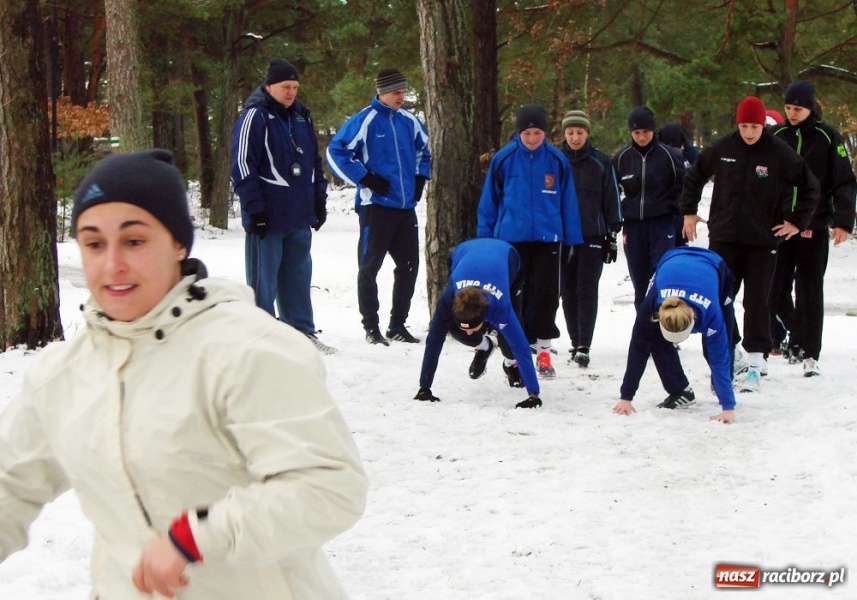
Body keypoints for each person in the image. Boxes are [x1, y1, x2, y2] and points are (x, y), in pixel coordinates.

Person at [0, 150, 368, 599]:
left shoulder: (247, 351)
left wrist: (197, 536)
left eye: (134, 241)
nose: (112, 264)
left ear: (179, 244)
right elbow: (10, 484)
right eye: (94, 244)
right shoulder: (61, 375)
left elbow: (329, 486)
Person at [681, 96, 820, 393]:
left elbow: (810, 186)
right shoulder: (723, 147)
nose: (748, 132)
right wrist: (689, 212)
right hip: (724, 238)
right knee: (720, 300)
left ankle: (756, 365)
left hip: (762, 241)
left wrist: (797, 222)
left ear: (763, 126)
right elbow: (694, 175)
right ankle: (729, 355)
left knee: (757, 301)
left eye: (754, 126)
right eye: (744, 126)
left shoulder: (778, 152)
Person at [231, 58, 335, 354]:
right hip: (268, 217)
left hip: (298, 216)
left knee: (298, 277)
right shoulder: (256, 116)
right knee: (263, 283)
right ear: (269, 86)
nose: (291, 92)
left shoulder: (302, 117)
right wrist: (255, 208)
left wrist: (318, 200)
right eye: (285, 87)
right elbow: (241, 164)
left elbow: (314, 162)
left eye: (295, 87)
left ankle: (302, 333)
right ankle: (261, 337)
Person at [326, 68, 432, 346]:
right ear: (382, 92)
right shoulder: (365, 120)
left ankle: (397, 324)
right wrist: (365, 178)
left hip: (405, 207)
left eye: (403, 91)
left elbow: (424, 151)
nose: (402, 96)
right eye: (396, 91)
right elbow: (335, 152)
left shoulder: (410, 121)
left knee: (409, 266)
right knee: (369, 267)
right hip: (376, 207)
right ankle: (371, 327)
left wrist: (421, 178)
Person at [477, 104, 583, 379]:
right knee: (512, 297)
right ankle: (513, 355)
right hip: (511, 240)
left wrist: (572, 239)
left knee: (546, 295)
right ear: (518, 132)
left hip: (548, 239)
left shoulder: (557, 161)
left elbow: (568, 202)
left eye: (537, 133)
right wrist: (485, 240)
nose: (533, 138)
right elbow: (490, 201)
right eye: (527, 133)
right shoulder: (504, 158)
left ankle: (544, 351)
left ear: (545, 133)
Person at [769, 80, 856, 377]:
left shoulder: (828, 136)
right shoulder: (776, 135)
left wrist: (843, 220)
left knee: (808, 288)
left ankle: (809, 351)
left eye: (799, 109)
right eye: (789, 108)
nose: (792, 114)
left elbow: (844, 181)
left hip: (813, 224)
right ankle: (795, 334)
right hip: (779, 225)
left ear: (810, 108)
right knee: (774, 287)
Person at [612, 247, 737, 423]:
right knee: (654, 340)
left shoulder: (711, 312)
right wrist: (626, 397)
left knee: (717, 346)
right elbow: (639, 347)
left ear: (694, 320)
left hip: (715, 266)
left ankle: (724, 388)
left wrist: (728, 407)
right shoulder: (652, 306)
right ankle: (680, 390)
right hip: (672, 259)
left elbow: (720, 356)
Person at [414, 238, 542, 409]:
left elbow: (521, 346)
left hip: (508, 256)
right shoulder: (448, 299)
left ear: (484, 318)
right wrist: (424, 387)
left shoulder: (500, 307)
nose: (468, 334)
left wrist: (533, 395)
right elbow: (434, 340)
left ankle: (510, 363)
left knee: (510, 341)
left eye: (472, 329)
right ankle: (484, 346)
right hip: (464, 252)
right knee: (450, 329)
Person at [557, 109, 623, 368]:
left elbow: (611, 199)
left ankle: (584, 344)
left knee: (587, 290)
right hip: (562, 237)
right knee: (567, 291)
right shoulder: (556, 160)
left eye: (580, 132)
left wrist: (612, 234)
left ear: (587, 133)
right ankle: (574, 341)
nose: (575, 138)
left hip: (592, 235)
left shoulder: (601, 162)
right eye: (571, 133)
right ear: (564, 134)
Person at [613, 106, 688, 307]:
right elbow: (611, 191)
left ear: (653, 130)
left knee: (663, 278)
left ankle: (666, 331)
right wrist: (616, 216)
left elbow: (687, 186)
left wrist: (680, 216)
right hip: (634, 226)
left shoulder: (669, 156)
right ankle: (643, 331)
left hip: (662, 224)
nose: (641, 137)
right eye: (636, 132)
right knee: (640, 282)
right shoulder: (622, 158)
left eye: (645, 132)